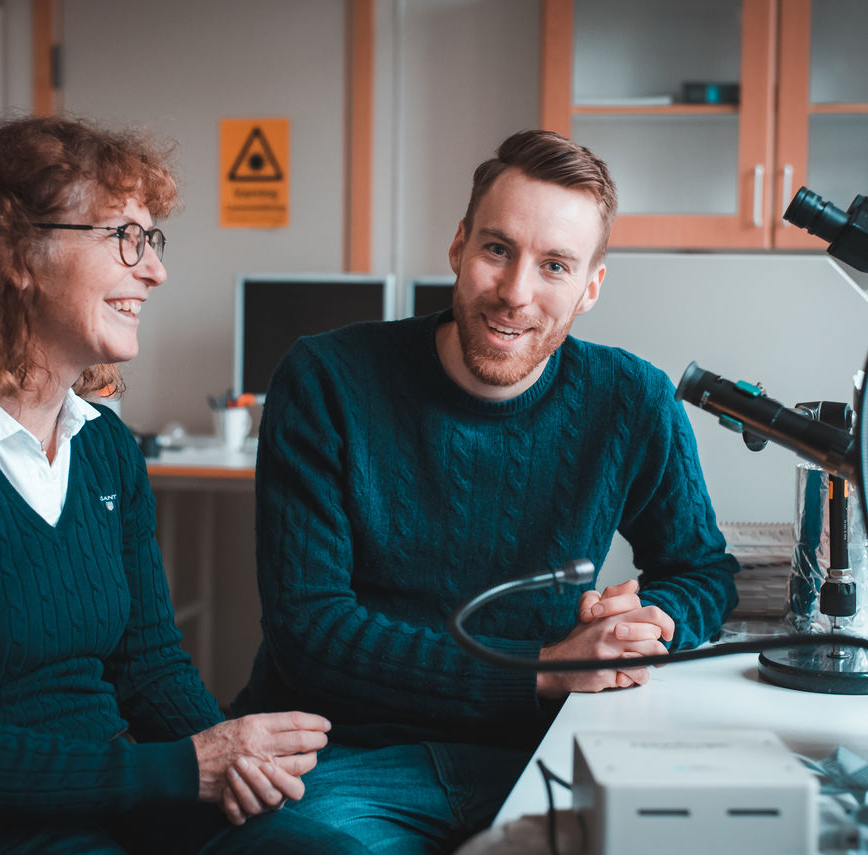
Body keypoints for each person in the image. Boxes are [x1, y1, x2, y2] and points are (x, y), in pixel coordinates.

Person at [0, 115, 368, 855]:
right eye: (123, 237)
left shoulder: (105, 451)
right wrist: (185, 766)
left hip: (105, 803)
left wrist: (233, 758)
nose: (155, 270)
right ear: (15, 253)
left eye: (151, 240)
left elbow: (149, 663)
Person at [231, 129, 741, 853]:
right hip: (350, 760)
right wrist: (543, 670)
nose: (515, 293)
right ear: (458, 246)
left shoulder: (633, 398)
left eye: (555, 265)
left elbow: (703, 569)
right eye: (497, 249)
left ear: (590, 287)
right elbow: (312, 632)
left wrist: (650, 623)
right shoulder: (325, 380)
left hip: (542, 753)